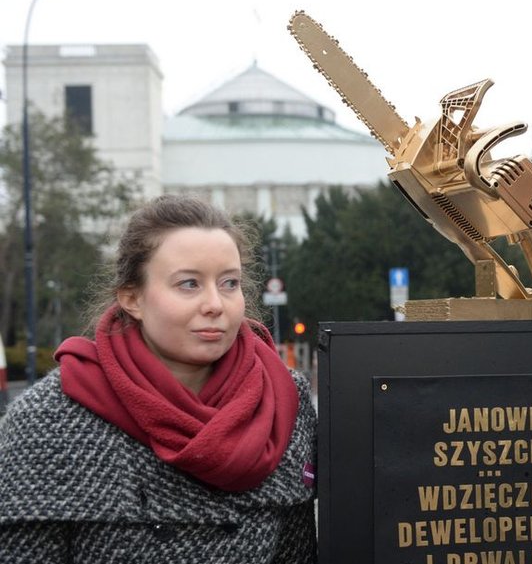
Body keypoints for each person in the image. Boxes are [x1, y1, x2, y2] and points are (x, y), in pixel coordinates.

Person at [0, 195, 317, 562]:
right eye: (189, 284)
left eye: (230, 283)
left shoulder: (282, 401)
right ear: (132, 298)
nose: (215, 304)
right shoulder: (47, 420)